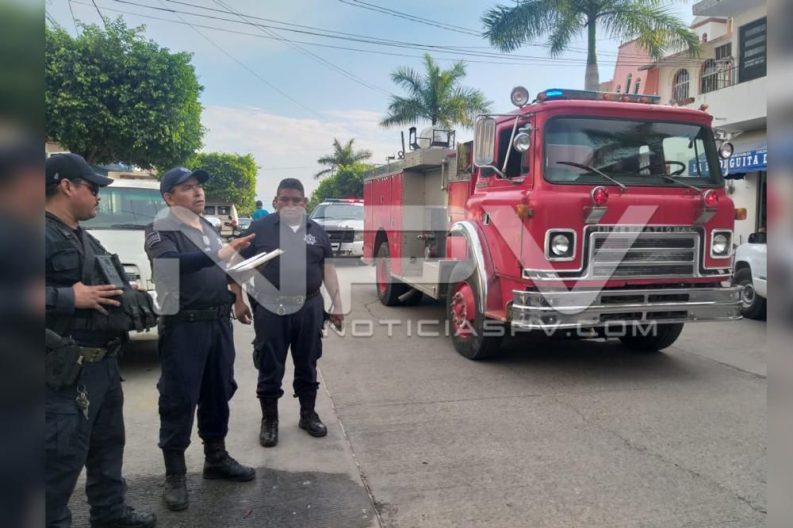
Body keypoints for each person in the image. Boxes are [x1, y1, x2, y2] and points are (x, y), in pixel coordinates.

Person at [44, 153, 156, 528]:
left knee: (107, 449)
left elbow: (104, 286)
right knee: (58, 463)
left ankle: (110, 514)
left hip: (104, 365)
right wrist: (67, 297)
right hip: (60, 372)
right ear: (66, 186)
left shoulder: (83, 236)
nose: (97, 197)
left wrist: (128, 293)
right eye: (92, 188)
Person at [144, 167, 257, 512]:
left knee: (218, 391)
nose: (198, 193)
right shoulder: (160, 229)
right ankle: (175, 475)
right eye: (188, 188)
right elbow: (167, 264)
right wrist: (219, 254)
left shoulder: (207, 228)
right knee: (178, 397)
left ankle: (216, 457)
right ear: (168, 197)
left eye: (199, 187)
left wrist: (238, 297)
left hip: (217, 324)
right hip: (184, 327)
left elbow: (227, 268)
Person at [236, 178, 343, 448]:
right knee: (270, 364)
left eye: (297, 200)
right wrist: (237, 300)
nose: (291, 204)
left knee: (308, 363)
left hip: (309, 307)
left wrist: (337, 303)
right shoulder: (259, 229)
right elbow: (239, 266)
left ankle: (308, 415)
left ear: (305, 203)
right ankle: (269, 420)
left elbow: (327, 269)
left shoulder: (317, 231)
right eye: (285, 199)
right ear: (275, 201)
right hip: (271, 308)